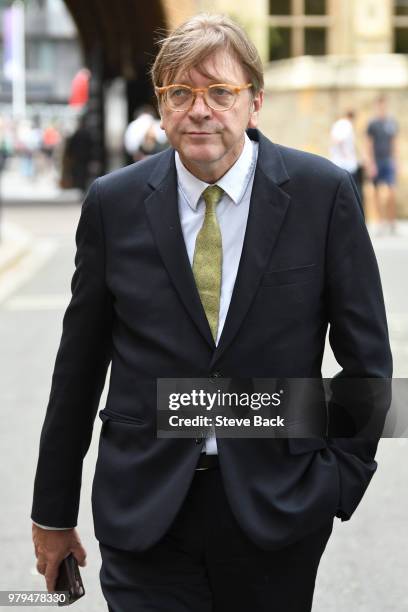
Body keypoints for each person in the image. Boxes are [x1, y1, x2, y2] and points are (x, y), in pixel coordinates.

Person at [31, 13, 392, 612]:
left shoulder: (321, 196)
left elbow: (369, 364)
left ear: (254, 102)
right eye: (180, 92)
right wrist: (52, 511)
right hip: (144, 512)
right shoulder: (112, 205)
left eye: (220, 92)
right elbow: (77, 369)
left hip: (277, 511)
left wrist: (336, 478)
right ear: (162, 103)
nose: (200, 109)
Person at [366, 95, 399, 235]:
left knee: (391, 192)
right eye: (379, 106)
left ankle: (392, 222)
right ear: (376, 107)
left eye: (383, 106)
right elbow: (368, 144)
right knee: (377, 193)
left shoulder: (391, 123)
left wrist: (396, 161)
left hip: (388, 160)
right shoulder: (372, 124)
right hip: (377, 161)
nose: (381, 108)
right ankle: (380, 223)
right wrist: (370, 162)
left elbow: (394, 143)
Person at [330, 109, 363, 208]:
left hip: (338, 163)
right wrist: (346, 154)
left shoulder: (337, 124)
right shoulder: (347, 125)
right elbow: (338, 140)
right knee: (353, 192)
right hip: (347, 165)